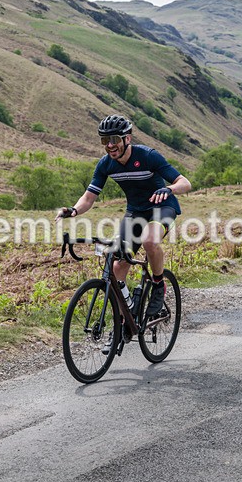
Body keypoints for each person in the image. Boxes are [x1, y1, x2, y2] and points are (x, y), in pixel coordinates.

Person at [55, 114, 192, 347]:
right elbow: (89, 197)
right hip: (135, 213)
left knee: (150, 241)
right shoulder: (106, 164)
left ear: (127, 138)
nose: (110, 145)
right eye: (104, 140)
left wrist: (169, 189)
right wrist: (74, 211)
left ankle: (158, 285)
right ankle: (122, 324)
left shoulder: (148, 156)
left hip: (162, 207)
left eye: (114, 139)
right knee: (117, 265)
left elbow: (185, 183)